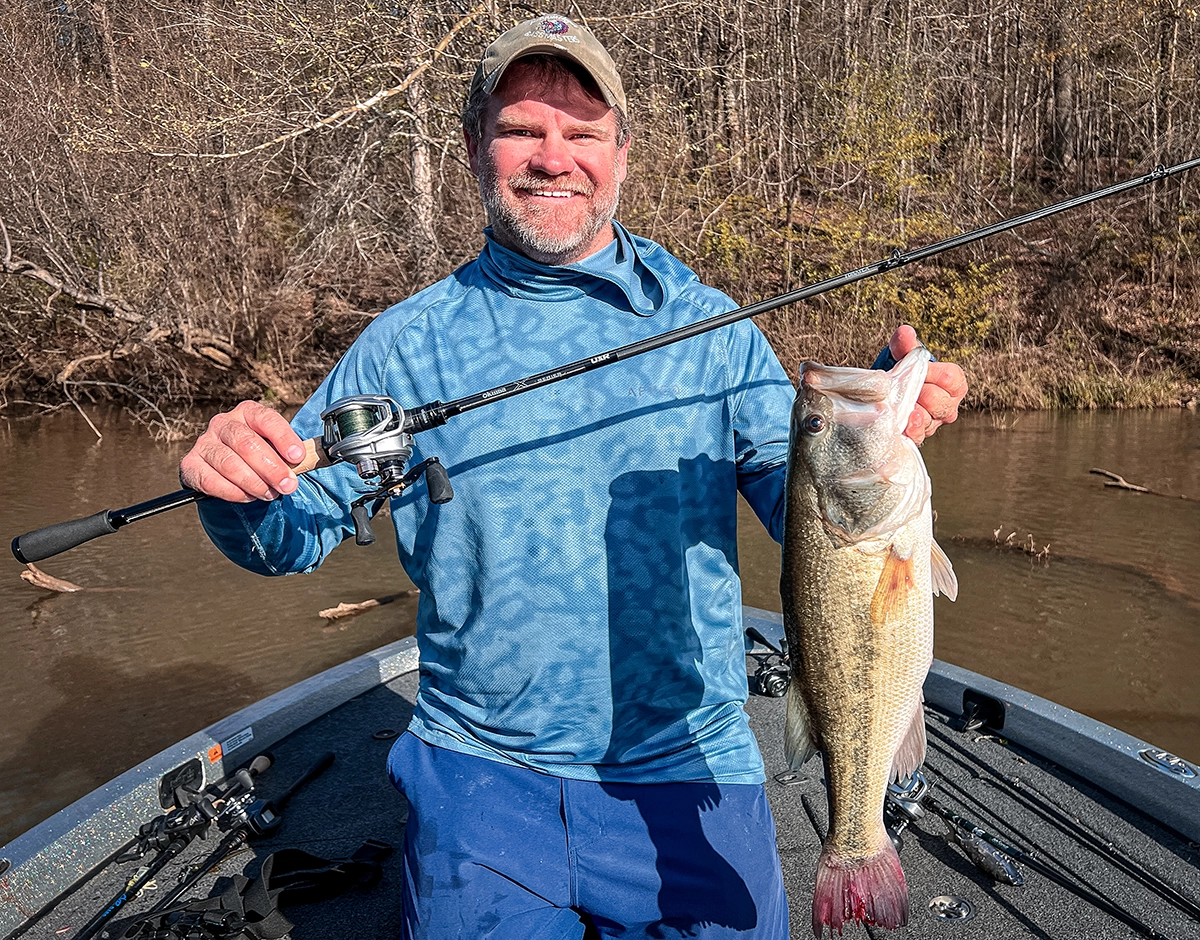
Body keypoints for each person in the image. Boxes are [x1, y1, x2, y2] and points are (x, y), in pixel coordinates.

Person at [181, 14, 967, 939]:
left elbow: (818, 529)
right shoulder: (404, 347)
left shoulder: (714, 332)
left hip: (688, 764)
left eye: (584, 132)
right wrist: (239, 492)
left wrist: (883, 436)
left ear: (621, 154)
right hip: (480, 777)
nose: (553, 157)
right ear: (477, 146)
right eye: (522, 128)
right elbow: (297, 531)